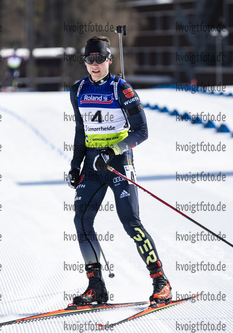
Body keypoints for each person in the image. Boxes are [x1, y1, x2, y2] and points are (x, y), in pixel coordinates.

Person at [67, 36, 171, 305]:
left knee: (130, 222)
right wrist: (75, 165)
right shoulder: (77, 90)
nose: (94, 64)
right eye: (89, 59)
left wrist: (113, 151)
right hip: (92, 164)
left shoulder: (121, 89)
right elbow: (81, 130)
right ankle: (96, 286)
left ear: (109, 60)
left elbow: (142, 132)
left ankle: (161, 280)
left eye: (99, 59)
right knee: (81, 221)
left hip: (118, 162)